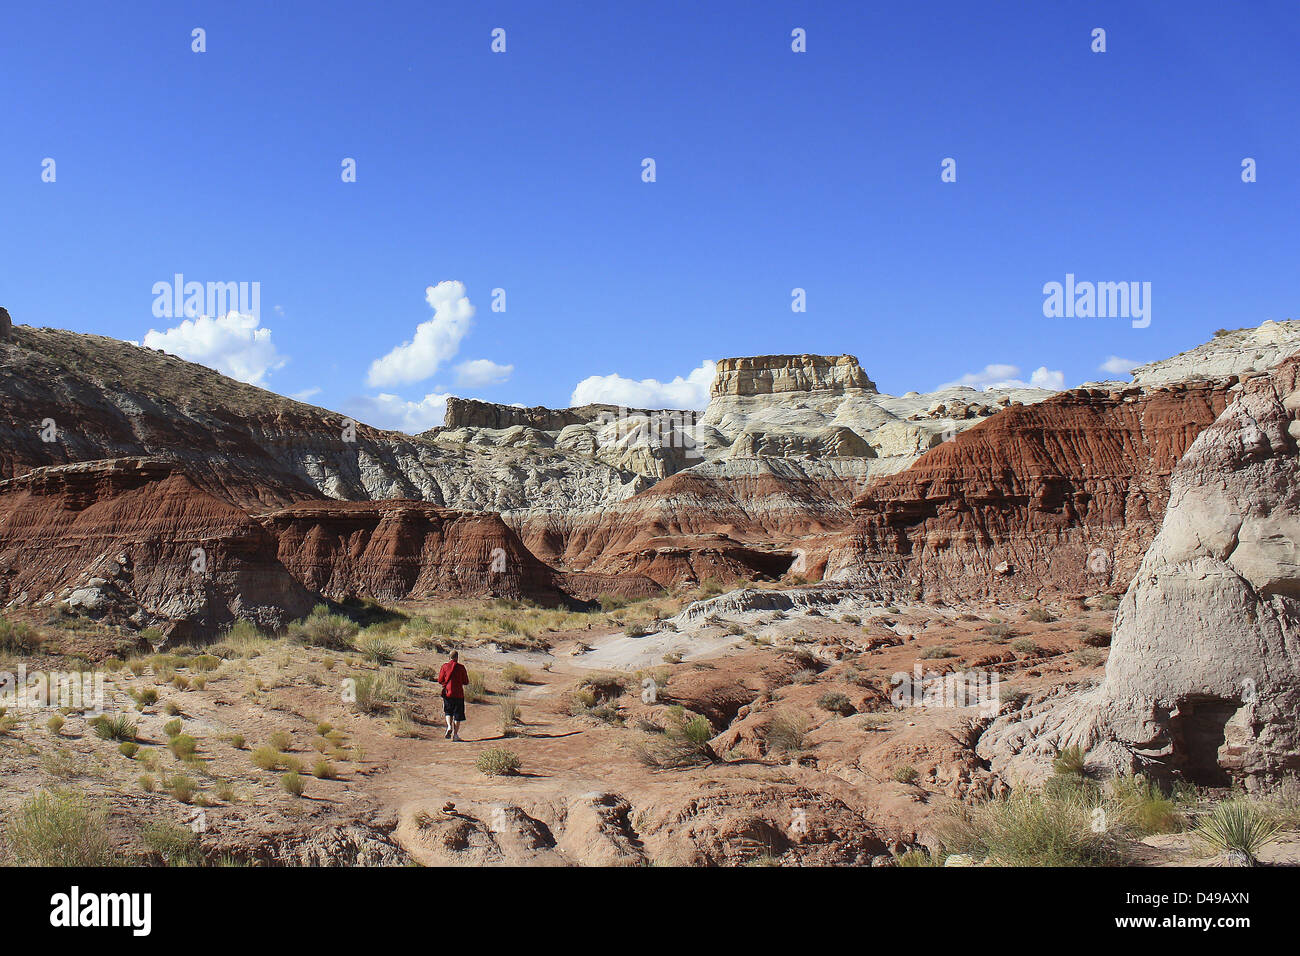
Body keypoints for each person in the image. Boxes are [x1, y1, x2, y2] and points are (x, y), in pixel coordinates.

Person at [437, 650, 469, 741]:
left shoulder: (445, 666)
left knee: (448, 711)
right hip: (458, 694)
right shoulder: (461, 667)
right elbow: (466, 681)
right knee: (457, 715)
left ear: (449, 657)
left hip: (448, 693)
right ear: (457, 658)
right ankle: (455, 735)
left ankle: (449, 726)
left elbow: (440, 680)